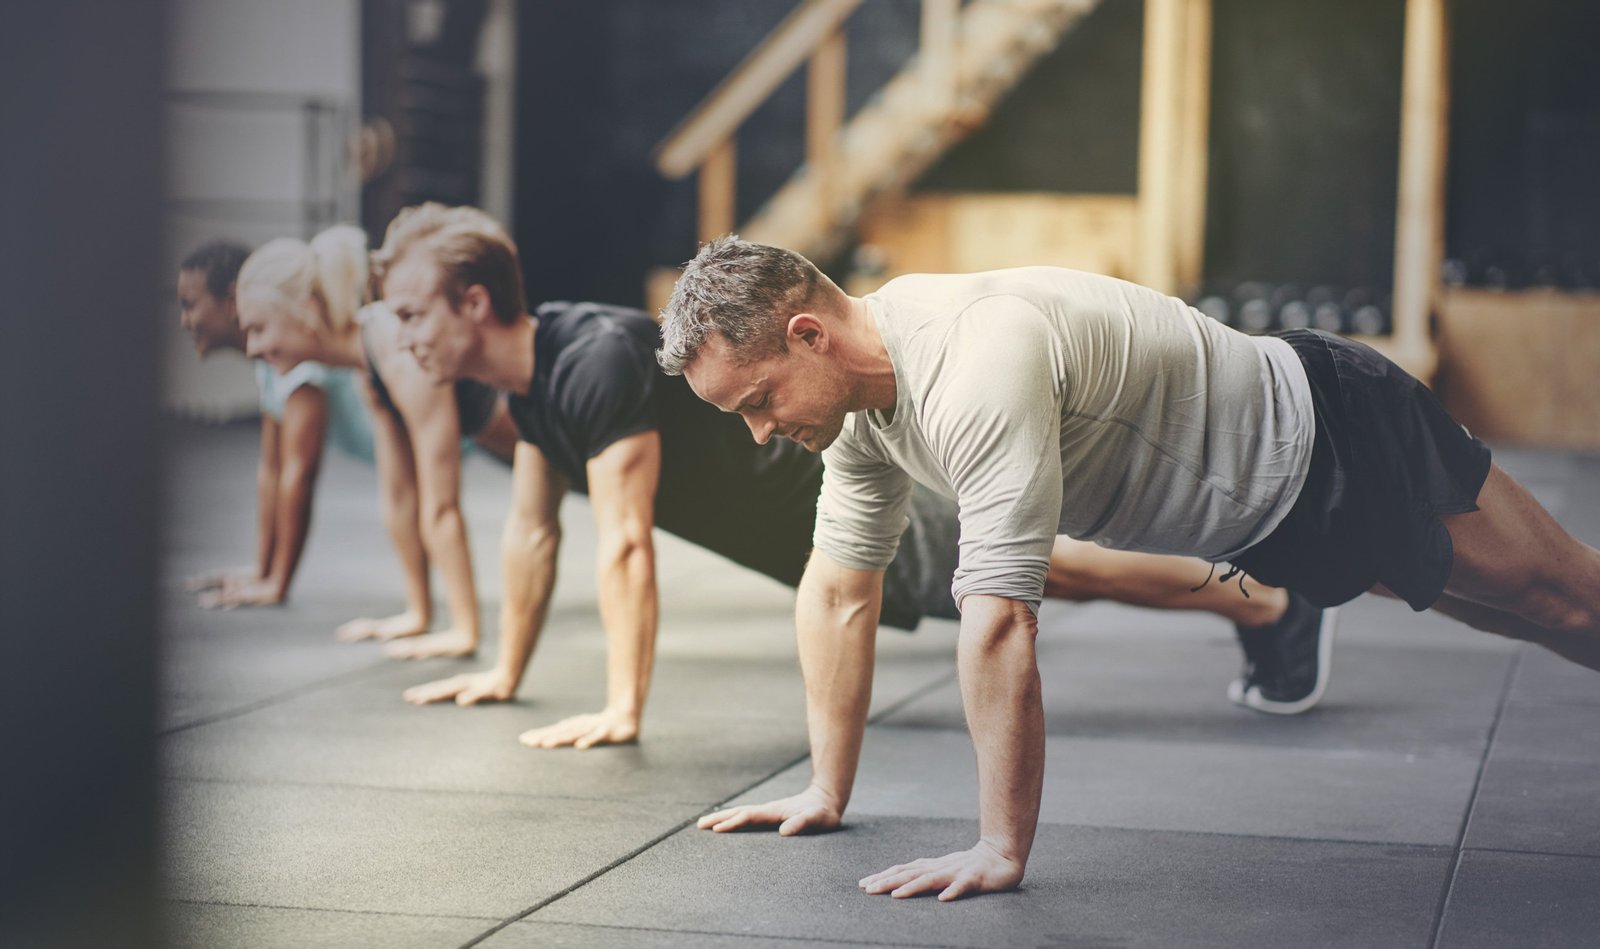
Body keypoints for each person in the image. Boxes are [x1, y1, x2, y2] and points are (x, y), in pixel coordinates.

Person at [658, 236, 1600, 901]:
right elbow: (838, 588)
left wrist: (999, 846)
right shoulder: (858, 414)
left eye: (760, 400)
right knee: (1506, 614)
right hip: (1272, 526)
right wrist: (826, 790)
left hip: (1338, 433)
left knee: (1563, 598)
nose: (761, 430)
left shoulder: (974, 357)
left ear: (810, 336)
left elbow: (999, 619)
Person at [374, 204, 1330, 758]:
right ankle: (1263, 603)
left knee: (1053, 571)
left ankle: (1266, 606)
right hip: (787, 523)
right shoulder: (534, 384)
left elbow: (624, 539)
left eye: (414, 311)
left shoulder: (588, 364)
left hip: (841, 489)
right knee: (1049, 570)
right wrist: (505, 671)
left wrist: (624, 708)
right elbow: (532, 531)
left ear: (474, 302)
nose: (403, 338)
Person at [233, 225, 518, 659]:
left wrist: (464, 631)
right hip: (505, 442)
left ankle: (463, 624)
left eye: (259, 329)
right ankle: (420, 610)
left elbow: (442, 505)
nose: (252, 348)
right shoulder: (369, 362)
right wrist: (417, 615)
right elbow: (401, 497)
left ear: (307, 311)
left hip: (539, 435)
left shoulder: (401, 354)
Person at [178, 239, 375, 610]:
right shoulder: (271, 362)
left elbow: (300, 472)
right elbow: (271, 469)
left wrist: (277, 586)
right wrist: (262, 571)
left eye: (190, 305)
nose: (184, 320)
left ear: (231, 298)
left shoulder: (297, 357)